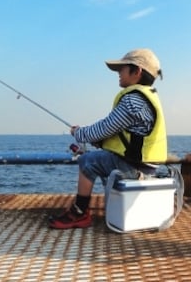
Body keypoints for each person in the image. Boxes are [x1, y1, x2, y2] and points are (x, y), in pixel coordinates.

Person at [49, 48, 167, 229]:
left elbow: (104, 128)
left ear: (137, 72)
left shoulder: (132, 101)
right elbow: (125, 135)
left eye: (122, 69)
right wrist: (100, 142)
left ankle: (80, 212)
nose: (118, 73)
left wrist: (78, 133)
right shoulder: (149, 96)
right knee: (103, 159)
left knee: (87, 161)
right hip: (147, 168)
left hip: (132, 168)